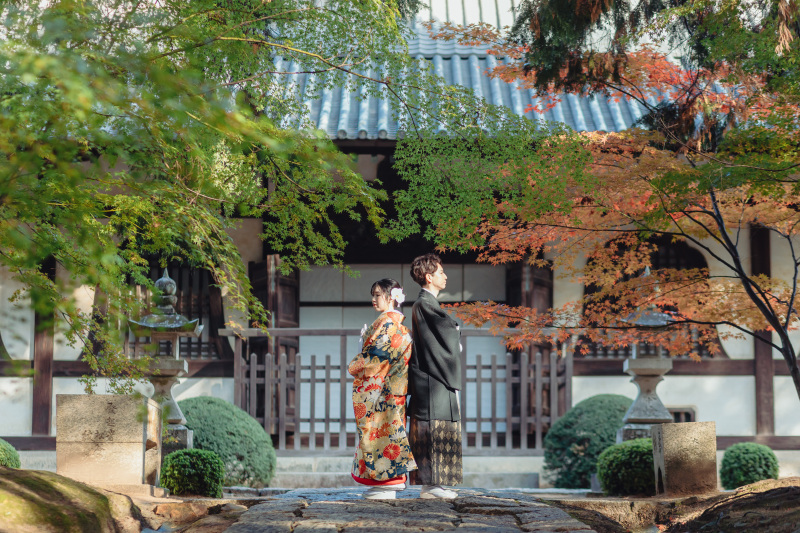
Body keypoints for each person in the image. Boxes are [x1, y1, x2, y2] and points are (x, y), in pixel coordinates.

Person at [348, 278, 417, 500]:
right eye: (373, 294)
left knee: (383, 437)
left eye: (377, 295)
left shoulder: (387, 324)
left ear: (390, 297)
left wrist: (357, 361)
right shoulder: (395, 325)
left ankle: (387, 482)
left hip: (382, 392)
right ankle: (386, 482)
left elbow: (375, 358)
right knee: (388, 436)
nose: (373, 299)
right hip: (391, 390)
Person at [407, 253, 462, 499]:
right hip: (431, 379)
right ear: (429, 277)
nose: (445, 276)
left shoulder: (428, 305)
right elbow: (446, 332)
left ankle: (434, 485)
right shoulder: (424, 305)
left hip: (434, 378)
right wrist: (456, 329)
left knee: (438, 428)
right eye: (440, 272)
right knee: (432, 429)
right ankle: (431, 485)